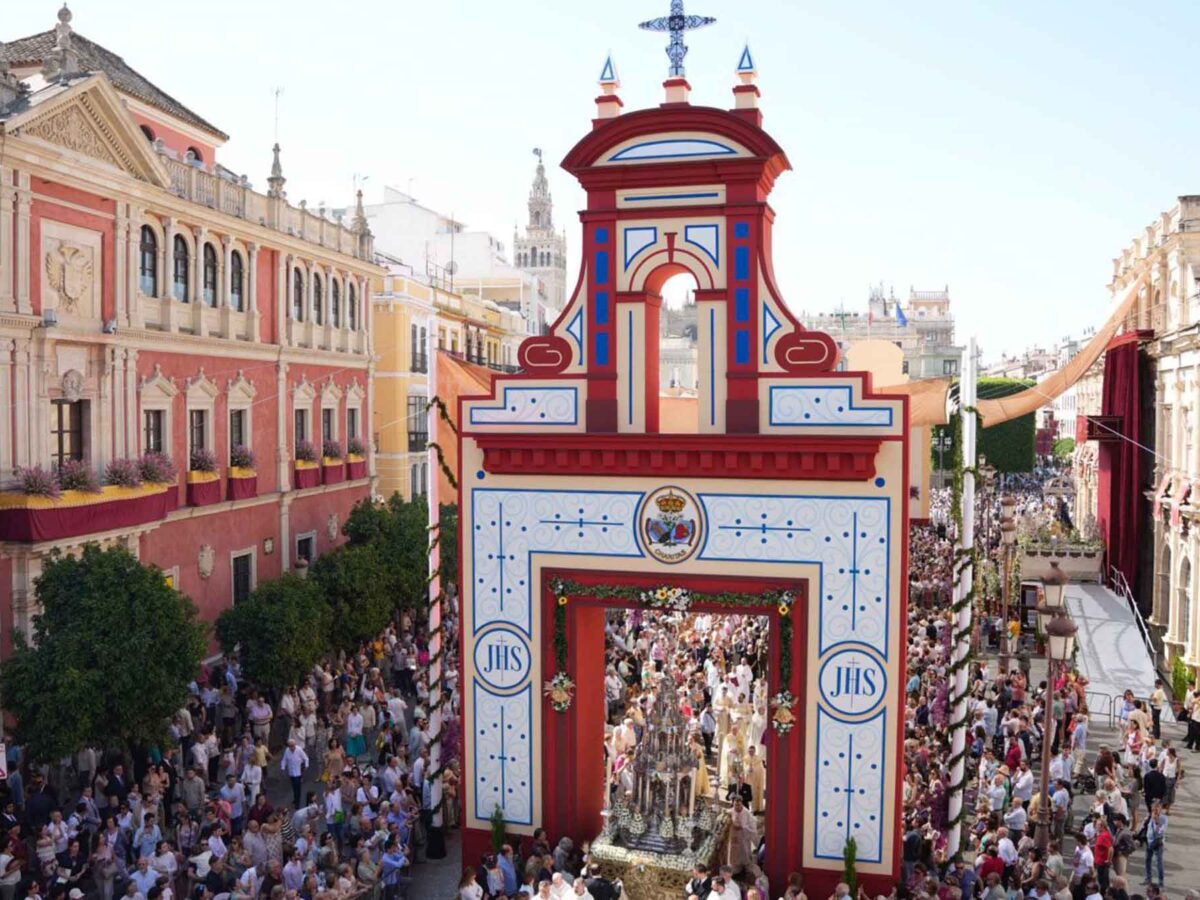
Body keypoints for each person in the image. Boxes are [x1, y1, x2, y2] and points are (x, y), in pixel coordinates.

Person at [279, 739, 309, 808]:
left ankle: (297, 802)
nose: (292, 748)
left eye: (293, 746)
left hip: (298, 772)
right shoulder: (287, 751)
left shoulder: (299, 750)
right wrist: (282, 768)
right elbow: (284, 760)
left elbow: (306, 758)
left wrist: (306, 765)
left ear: (295, 745)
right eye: (290, 746)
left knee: (297, 787)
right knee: (294, 787)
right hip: (291, 772)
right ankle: (296, 799)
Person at [1144, 800, 1167, 889]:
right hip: (1149, 841)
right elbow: (1146, 827)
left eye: (1157, 808)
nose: (1155, 811)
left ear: (1160, 809)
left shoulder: (1163, 819)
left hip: (1158, 843)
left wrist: (1157, 822)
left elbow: (1160, 833)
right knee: (1147, 860)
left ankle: (1161, 883)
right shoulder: (1150, 816)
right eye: (1153, 809)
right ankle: (1148, 879)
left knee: (1159, 863)